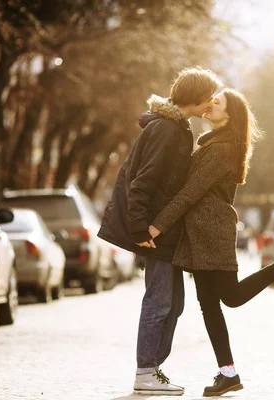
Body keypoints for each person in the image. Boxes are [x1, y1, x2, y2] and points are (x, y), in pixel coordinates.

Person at [146, 89, 274, 397]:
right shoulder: (213, 144)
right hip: (202, 231)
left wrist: (157, 226)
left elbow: (190, 192)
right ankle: (228, 373)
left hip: (212, 232)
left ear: (228, 116)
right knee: (209, 304)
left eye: (218, 102)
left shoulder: (220, 150)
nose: (211, 102)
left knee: (230, 297)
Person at [98, 67, 221, 396]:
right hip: (153, 232)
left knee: (174, 303)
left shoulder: (178, 127)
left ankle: (152, 368)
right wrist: (140, 228)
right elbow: (142, 182)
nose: (212, 101)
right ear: (195, 98)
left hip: (165, 232)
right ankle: (145, 371)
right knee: (159, 302)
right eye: (209, 96)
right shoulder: (167, 129)